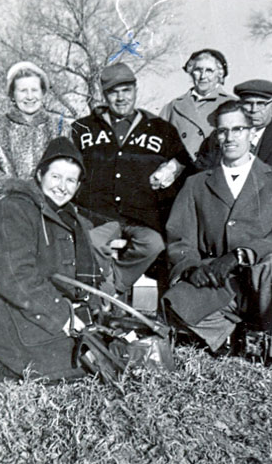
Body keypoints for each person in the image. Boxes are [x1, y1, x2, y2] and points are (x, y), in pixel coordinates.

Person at [163, 100, 272, 383]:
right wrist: (193, 267)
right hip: (221, 283)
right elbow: (180, 238)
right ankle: (236, 335)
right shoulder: (196, 184)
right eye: (222, 131)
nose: (230, 138)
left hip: (265, 278)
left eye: (238, 129)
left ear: (252, 133)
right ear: (216, 136)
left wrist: (244, 253)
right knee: (174, 304)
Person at [0, 137, 102, 382]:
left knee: (100, 352)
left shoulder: (70, 218)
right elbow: (16, 278)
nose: (63, 187)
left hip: (46, 303)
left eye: (71, 180)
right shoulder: (12, 210)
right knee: (70, 367)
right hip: (10, 306)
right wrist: (62, 316)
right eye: (56, 177)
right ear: (40, 174)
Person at [72, 62, 192, 299]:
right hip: (98, 215)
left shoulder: (160, 128)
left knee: (154, 244)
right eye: (113, 92)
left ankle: (112, 286)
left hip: (142, 217)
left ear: (136, 90)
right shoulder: (83, 127)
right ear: (104, 95)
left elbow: (184, 163)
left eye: (126, 90)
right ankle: (104, 297)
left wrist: (173, 167)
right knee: (93, 242)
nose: (120, 98)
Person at [198, 79, 272, 314]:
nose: (253, 110)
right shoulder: (220, 138)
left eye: (261, 104)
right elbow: (203, 177)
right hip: (231, 219)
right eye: (247, 104)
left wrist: (257, 207)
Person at [0, 61, 71, 219]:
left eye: (34, 90)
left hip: (49, 211)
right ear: (12, 95)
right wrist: (13, 185)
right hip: (5, 210)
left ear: (43, 93)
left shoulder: (60, 128)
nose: (29, 96)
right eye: (23, 90)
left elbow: (69, 170)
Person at [159, 49, 233, 162]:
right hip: (178, 175)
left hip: (214, 172)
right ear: (191, 72)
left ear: (219, 74)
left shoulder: (232, 104)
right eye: (198, 70)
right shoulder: (173, 107)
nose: (203, 76)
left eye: (209, 71)